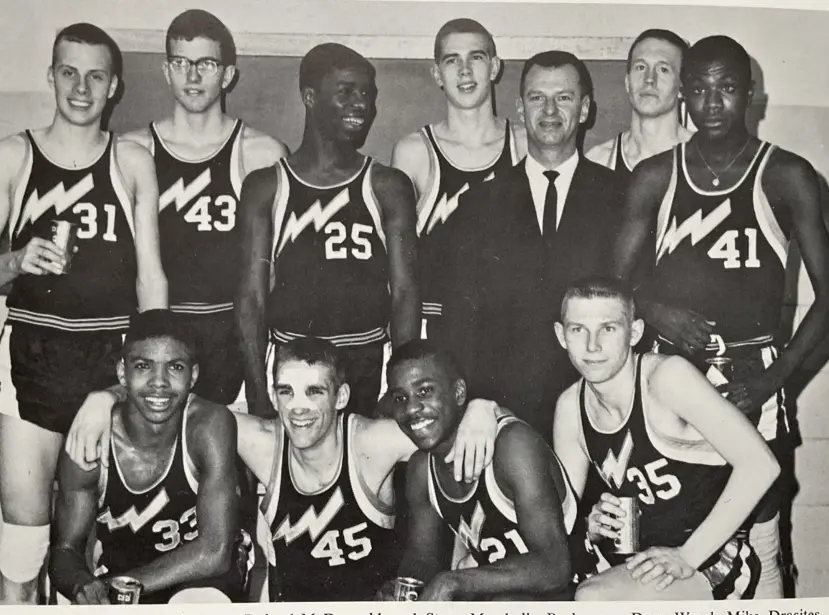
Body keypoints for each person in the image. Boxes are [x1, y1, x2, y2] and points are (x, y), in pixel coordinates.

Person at [612, 35, 829, 598]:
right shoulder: (653, 176)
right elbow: (611, 291)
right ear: (683, 96)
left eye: (727, 88)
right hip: (673, 375)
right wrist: (656, 308)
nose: (712, 102)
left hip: (754, 372)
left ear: (751, 95)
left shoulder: (787, 175)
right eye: (698, 88)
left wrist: (773, 378)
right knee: (682, 519)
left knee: (761, 515)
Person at [0, 23, 167, 604]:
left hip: (109, 363)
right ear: (50, 76)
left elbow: (150, 276)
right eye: (69, 72)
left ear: (115, 87)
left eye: (95, 75)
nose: (81, 87)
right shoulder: (14, 153)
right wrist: (18, 259)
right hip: (33, 353)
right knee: (24, 545)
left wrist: (148, 367)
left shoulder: (131, 161)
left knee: (95, 546)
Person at [66, 336, 506, 601]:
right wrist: (105, 396)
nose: (298, 408)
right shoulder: (257, 439)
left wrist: (486, 408)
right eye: (286, 392)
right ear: (274, 396)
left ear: (341, 397)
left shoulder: (375, 441)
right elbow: (168, 396)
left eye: (314, 392)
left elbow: (443, 420)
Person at [549, 277, 779, 601]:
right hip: (634, 560)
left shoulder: (665, 378)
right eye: (578, 330)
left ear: (636, 333)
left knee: (593, 600)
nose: (592, 345)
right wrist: (590, 524)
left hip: (706, 556)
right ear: (561, 335)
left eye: (609, 328)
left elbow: (761, 466)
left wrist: (688, 556)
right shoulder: (570, 407)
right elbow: (563, 521)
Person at [440, 50, 627, 437]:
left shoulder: (620, 197)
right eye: (537, 97)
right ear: (521, 109)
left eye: (564, 97)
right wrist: (472, 406)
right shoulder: (479, 204)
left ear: (586, 108)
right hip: (502, 410)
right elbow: (459, 320)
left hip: (596, 406)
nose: (550, 110)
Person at [237, 43, 419, 421]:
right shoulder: (266, 186)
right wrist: (257, 390)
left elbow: (404, 294)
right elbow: (251, 297)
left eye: (367, 95)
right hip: (292, 362)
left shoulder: (387, 185)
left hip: (367, 360)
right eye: (346, 92)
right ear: (309, 97)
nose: (361, 105)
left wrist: (400, 385)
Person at [122, 9, 288, 406]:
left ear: (228, 74)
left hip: (232, 335)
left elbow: (276, 268)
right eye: (181, 63)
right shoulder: (132, 150)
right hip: (158, 329)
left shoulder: (261, 153)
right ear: (166, 70)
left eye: (206, 64)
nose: (192, 77)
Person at [49, 310, 243, 604]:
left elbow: (215, 553)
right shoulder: (91, 440)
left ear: (193, 376)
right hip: (123, 580)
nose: (159, 382)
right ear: (121, 373)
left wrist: (119, 587)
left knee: (200, 607)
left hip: (200, 578)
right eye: (143, 366)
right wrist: (82, 585)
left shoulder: (209, 424)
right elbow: (64, 551)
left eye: (175, 367)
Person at [380, 340, 577, 601]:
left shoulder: (511, 445)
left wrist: (454, 581)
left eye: (425, 391)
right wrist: (400, 588)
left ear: (459, 393)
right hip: (502, 600)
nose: (411, 408)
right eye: (399, 398)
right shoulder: (420, 469)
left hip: (577, 592)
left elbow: (555, 568)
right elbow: (421, 559)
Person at [391, 18, 527, 341]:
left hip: (510, 323)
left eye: (476, 58)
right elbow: (399, 267)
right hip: (437, 326)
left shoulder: (524, 144)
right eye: (452, 60)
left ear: (494, 67)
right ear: (437, 74)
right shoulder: (414, 152)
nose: (465, 71)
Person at [585, 29, 692, 175]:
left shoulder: (705, 161)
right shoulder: (599, 161)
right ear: (628, 83)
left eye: (663, 70)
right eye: (641, 67)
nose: (649, 79)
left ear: (682, 87)